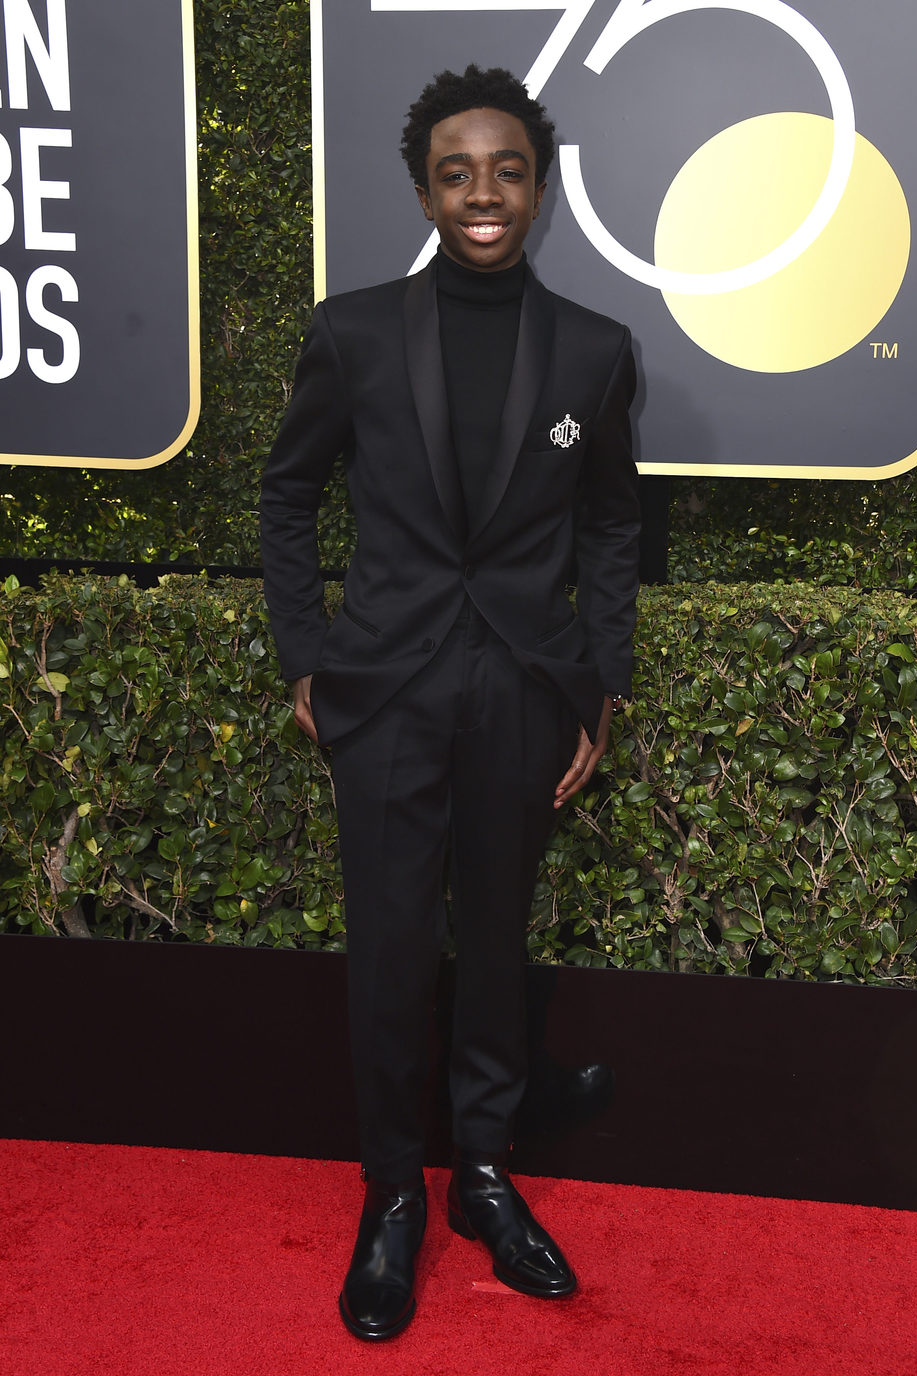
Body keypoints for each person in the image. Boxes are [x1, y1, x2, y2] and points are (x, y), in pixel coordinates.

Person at [259, 64, 642, 1341]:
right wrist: (308, 656)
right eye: (456, 171)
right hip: (386, 689)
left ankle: (482, 1172)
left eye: (508, 169)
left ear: (540, 186)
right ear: (424, 188)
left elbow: (610, 523)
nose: (483, 193)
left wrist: (597, 684)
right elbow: (287, 493)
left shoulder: (595, 349)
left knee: (495, 940)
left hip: (526, 689)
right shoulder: (354, 331)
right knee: (388, 952)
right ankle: (390, 1197)